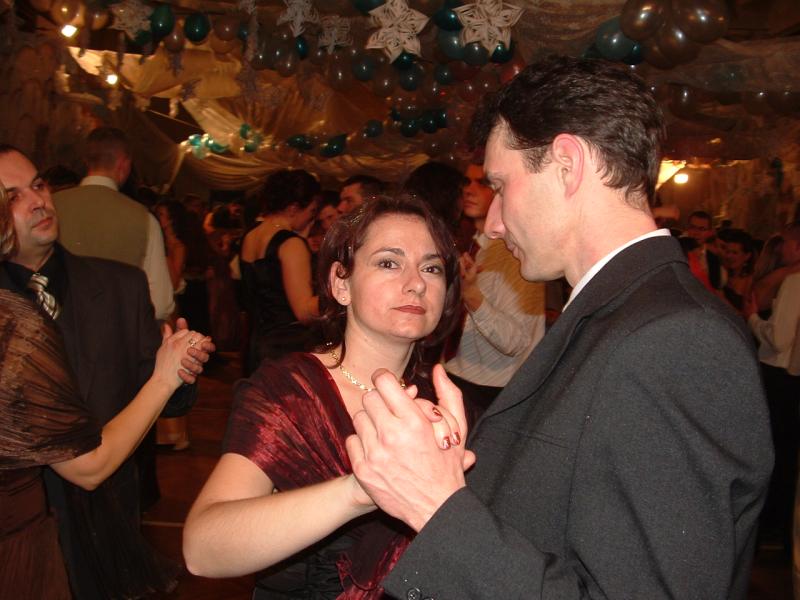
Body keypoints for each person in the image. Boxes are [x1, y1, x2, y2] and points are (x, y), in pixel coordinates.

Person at [345, 56, 773, 599]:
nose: (493, 223)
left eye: (501, 185)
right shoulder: (624, 313)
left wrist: (434, 505)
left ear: (568, 164)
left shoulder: (677, 338)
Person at [183, 195, 463, 599]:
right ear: (340, 284)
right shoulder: (291, 392)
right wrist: (361, 489)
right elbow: (202, 548)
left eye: (432, 268)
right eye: (389, 262)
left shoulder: (449, 402)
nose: (416, 282)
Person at [0, 144, 215, 598]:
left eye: (38, 185)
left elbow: (154, 391)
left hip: (105, 519)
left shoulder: (120, 285)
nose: (38, 201)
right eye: (14, 195)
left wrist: (179, 371)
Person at [443, 162, 546, 419]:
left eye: (483, 183)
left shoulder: (516, 252)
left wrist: (471, 295)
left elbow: (515, 342)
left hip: (492, 393)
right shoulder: (474, 244)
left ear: (504, 191)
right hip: (455, 373)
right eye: (466, 182)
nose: (468, 190)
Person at [53, 126, 175, 321]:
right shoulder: (144, 220)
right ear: (124, 165)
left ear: (86, 161)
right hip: (116, 331)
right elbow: (159, 304)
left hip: (55, 329)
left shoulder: (51, 206)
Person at [745, 222, 800, 560]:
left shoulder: (793, 281)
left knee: (776, 457)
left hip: (781, 375)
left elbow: (778, 339)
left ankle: (771, 529)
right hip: (788, 378)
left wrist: (753, 319)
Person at [240, 169, 321, 374]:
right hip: (286, 346)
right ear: (293, 208)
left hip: (256, 342)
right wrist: (338, 295)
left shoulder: (251, 235)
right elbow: (304, 312)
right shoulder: (290, 244)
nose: (311, 219)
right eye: (311, 211)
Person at [720, 228, 755, 314]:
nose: (729, 256)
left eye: (735, 253)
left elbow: (746, 316)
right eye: (727, 252)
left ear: (747, 256)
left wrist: (722, 298)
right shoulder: (722, 273)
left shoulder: (749, 280)